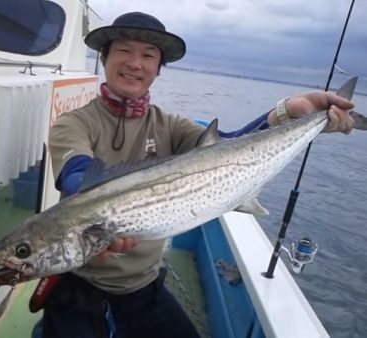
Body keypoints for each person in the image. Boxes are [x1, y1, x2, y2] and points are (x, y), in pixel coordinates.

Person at [30, 11, 355, 338]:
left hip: (142, 287)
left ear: (158, 69)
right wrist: (105, 218)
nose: (135, 63)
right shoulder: (74, 123)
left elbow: (227, 148)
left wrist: (288, 112)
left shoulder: (169, 125)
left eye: (148, 55)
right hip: (78, 285)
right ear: (104, 58)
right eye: (124, 50)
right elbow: (78, 179)